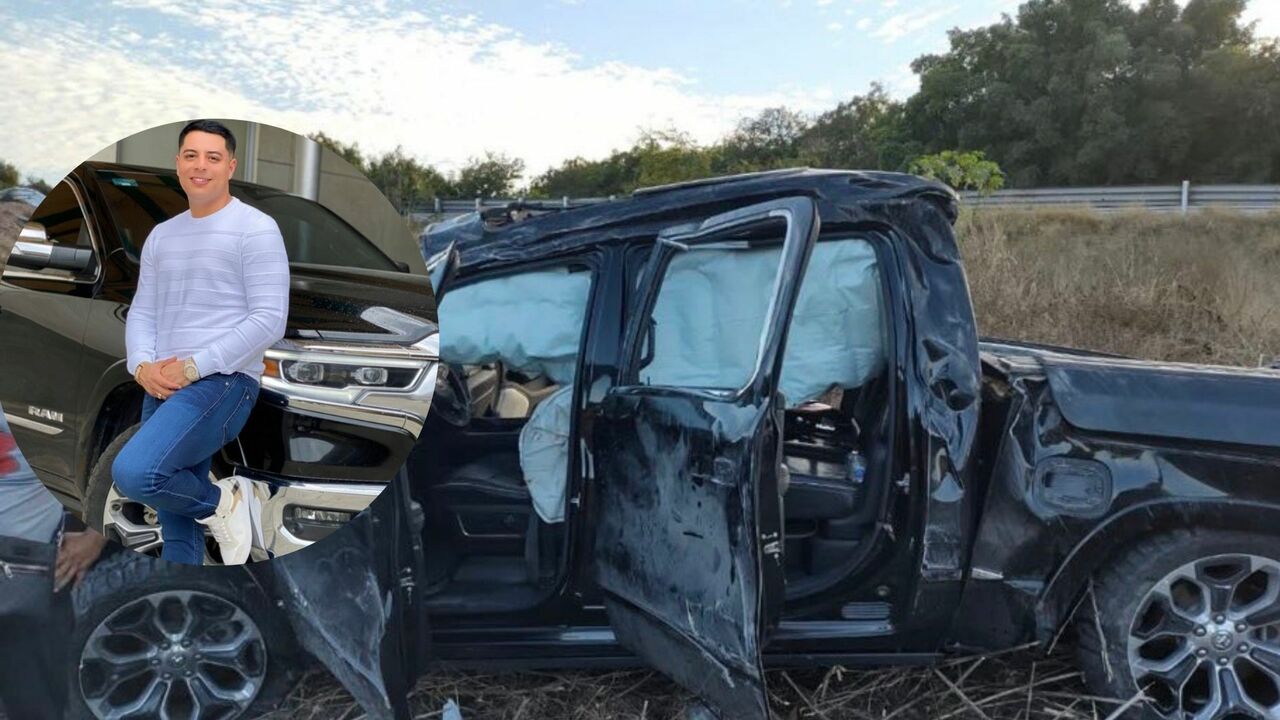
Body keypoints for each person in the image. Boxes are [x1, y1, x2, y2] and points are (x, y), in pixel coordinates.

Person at [111, 119, 290, 566]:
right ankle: (183, 594)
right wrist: (142, 366)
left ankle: (223, 503)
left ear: (230, 166)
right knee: (177, 529)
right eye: (191, 156)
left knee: (136, 472)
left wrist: (193, 367)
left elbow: (269, 319)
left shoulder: (256, 228)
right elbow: (144, 311)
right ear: (178, 164)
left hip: (222, 383)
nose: (200, 166)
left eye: (213, 157)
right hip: (163, 383)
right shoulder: (163, 235)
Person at [0, 413, 108, 718]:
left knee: (35, 705)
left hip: (26, 575)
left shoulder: (44, 395)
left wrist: (95, 538)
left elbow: (126, 455)